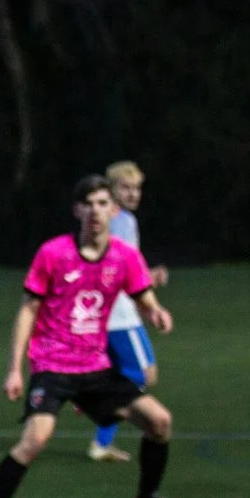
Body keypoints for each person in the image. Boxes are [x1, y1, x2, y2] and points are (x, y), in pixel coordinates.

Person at [0, 175, 195, 498]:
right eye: (88, 204)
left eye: (103, 203)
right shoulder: (53, 253)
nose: (95, 211)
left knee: (159, 421)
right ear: (77, 210)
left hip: (96, 368)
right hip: (53, 365)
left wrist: (155, 311)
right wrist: (14, 369)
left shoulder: (123, 256)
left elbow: (142, 292)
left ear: (113, 210)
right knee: (36, 439)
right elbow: (27, 311)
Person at [88, 159, 168, 462]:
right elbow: (118, 268)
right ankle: (100, 427)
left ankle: (100, 430)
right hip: (119, 316)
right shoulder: (120, 221)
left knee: (134, 375)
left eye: (137, 188)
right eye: (126, 187)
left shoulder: (117, 220)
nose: (133, 194)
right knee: (142, 375)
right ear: (112, 189)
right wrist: (148, 280)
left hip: (117, 313)